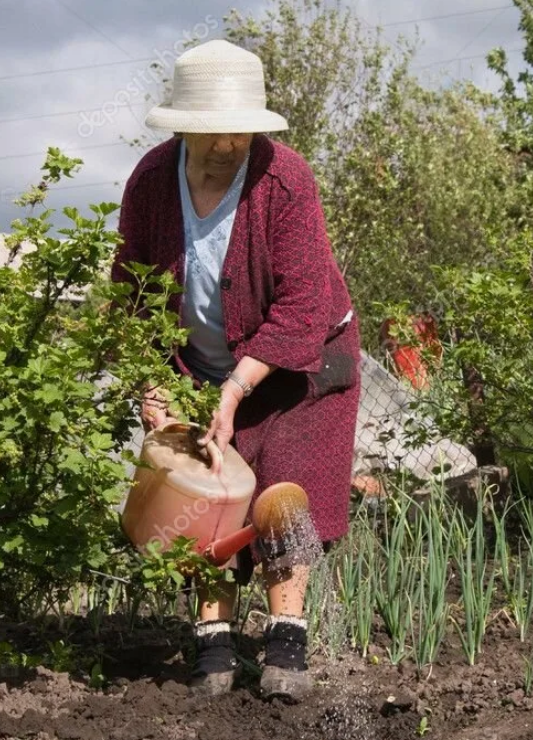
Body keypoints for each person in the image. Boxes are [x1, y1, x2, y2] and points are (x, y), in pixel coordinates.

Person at [111, 39, 361, 702]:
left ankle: (286, 642)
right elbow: (130, 290)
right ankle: (213, 645)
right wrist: (152, 380)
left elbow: (305, 300)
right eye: (214, 131)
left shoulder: (284, 178)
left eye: (238, 130)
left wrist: (237, 386)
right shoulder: (149, 181)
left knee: (284, 488)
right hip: (197, 359)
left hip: (300, 365)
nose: (228, 142)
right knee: (206, 493)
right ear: (186, 127)